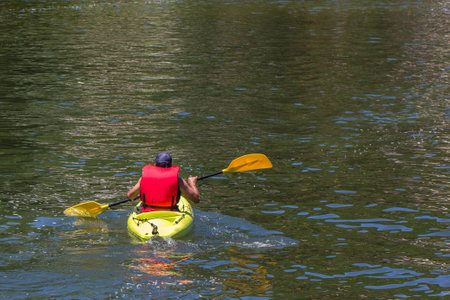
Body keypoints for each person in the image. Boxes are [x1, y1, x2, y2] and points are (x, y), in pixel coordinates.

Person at [127, 152, 200, 212]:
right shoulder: (178, 180)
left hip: (147, 213)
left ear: (155, 164)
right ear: (170, 166)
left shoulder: (144, 177)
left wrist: (139, 195)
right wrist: (192, 183)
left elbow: (130, 196)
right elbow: (196, 199)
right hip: (170, 213)